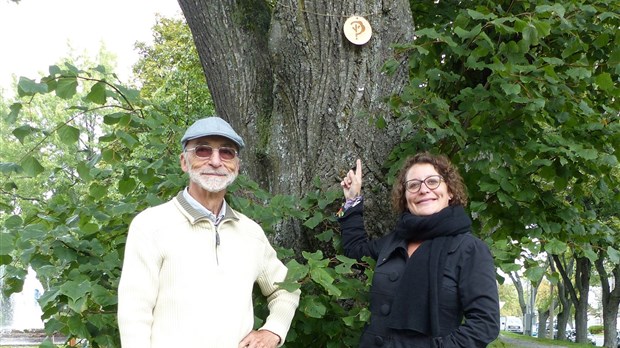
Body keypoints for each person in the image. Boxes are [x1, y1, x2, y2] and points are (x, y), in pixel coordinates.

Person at [118, 116, 300, 348]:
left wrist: (273, 331)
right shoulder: (151, 225)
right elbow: (134, 312)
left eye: (226, 153)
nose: (215, 161)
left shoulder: (250, 233)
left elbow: (287, 289)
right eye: (203, 151)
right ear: (184, 162)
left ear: (237, 165)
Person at [338, 152, 500, 347]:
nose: (423, 190)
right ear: (405, 198)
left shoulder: (469, 249)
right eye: (413, 185)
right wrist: (352, 200)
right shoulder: (395, 241)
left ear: (450, 191)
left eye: (432, 181)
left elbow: (484, 324)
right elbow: (354, 250)